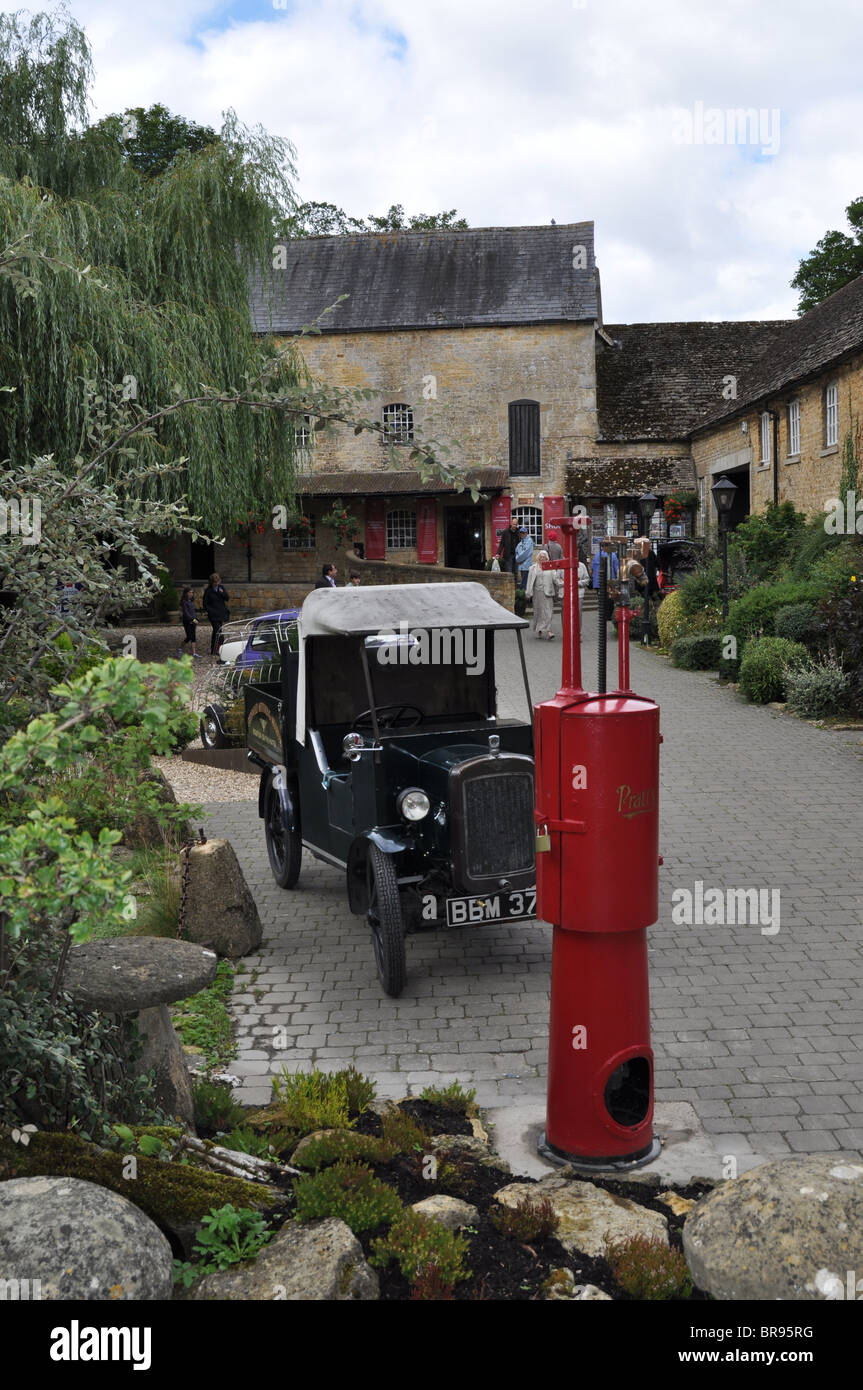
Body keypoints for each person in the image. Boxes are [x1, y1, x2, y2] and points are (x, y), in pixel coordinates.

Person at [525, 549, 564, 639]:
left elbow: (555, 579)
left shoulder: (551, 568)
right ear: (538, 558)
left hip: (548, 592)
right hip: (537, 592)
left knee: (548, 612)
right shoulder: (532, 568)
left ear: (547, 558)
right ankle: (539, 630)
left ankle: (549, 631)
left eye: (544, 557)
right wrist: (528, 592)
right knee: (538, 612)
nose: (542, 558)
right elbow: (529, 581)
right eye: (541, 557)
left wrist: (563, 583)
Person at [202, 572, 230, 654]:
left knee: (215, 632)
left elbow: (227, 598)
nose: (217, 583)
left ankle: (214, 650)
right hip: (213, 615)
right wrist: (210, 611)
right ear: (212, 582)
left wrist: (222, 592)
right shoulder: (208, 591)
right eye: (215, 582)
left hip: (221, 614)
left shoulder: (221, 588)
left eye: (218, 581)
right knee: (219, 632)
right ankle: (220, 649)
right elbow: (205, 604)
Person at [177, 586, 202, 659]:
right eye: (190, 592)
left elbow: (192, 612)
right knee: (189, 637)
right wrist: (193, 620)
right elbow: (186, 613)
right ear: (186, 593)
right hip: (187, 621)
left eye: (192, 592)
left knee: (193, 637)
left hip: (193, 621)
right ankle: (180, 648)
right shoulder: (184, 602)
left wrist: (195, 618)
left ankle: (194, 653)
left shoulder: (191, 601)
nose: (191, 594)